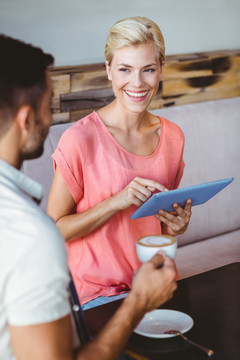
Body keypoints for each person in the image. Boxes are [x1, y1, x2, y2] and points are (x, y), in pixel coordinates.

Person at [0, 33, 177, 360]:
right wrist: (138, 302)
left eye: (148, 69)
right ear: (26, 119)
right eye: (49, 105)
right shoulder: (30, 235)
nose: (53, 117)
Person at [47, 16, 192, 310]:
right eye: (125, 69)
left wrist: (176, 226)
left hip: (156, 283)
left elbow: (160, 228)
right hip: (99, 295)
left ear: (161, 69)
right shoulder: (79, 139)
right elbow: (53, 230)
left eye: (148, 69)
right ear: (109, 70)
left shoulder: (173, 137)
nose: (137, 83)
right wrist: (117, 201)